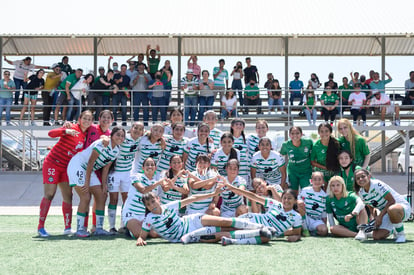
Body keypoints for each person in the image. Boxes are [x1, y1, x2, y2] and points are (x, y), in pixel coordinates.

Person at [137, 189, 267, 246]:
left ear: (158, 199)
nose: (152, 205)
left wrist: (212, 194)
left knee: (224, 221)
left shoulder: (169, 206)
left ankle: (259, 226)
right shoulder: (149, 219)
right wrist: (140, 239)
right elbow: (142, 235)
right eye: (148, 204)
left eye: (153, 201)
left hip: (191, 221)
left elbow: (192, 198)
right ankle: (256, 234)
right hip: (189, 235)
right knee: (222, 233)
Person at [37, 110, 93, 237]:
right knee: (50, 194)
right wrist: (65, 131)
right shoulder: (71, 127)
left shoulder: (87, 134)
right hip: (52, 163)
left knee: (68, 196)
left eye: (89, 119)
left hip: (66, 168)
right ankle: (40, 227)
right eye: (84, 118)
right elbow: (51, 133)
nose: (86, 121)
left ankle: (67, 228)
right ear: (79, 119)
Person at [68, 126, 125, 237]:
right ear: (111, 135)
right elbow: (90, 162)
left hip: (90, 169)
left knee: (102, 195)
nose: (120, 137)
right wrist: (86, 183)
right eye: (118, 134)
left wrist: (104, 185)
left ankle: (98, 228)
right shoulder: (102, 143)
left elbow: (105, 168)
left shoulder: (116, 150)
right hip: (78, 166)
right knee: (85, 196)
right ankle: (79, 229)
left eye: (122, 136)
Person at [222, 185, 302, 243]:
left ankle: (231, 241)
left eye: (289, 198)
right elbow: (254, 197)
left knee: (229, 231)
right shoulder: (276, 204)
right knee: (226, 227)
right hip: (250, 219)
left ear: (295, 200)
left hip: (260, 231)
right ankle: (212, 232)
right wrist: (233, 188)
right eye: (284, 198)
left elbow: (296, 232)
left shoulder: (297, 217)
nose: (286, 200)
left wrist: (296, 237)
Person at [354, 168, 411, 242]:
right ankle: (393, 229)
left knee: (392, 209)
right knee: (376, 236)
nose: (361, 179)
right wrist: (376, 218)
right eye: (358, 178)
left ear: (369, 176)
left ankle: (401, 234)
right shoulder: (361, 193)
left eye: (363, 176)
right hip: (386, 213)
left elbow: (392, 201)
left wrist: (380, 217)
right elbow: (370, 207)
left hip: (400, 208)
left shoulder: (376, 184)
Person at [106, 122, 143, 233]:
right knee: (113, 199)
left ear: (142, 132)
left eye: (140, 129)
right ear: (131, 129)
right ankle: (112, 227)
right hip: (115, 173)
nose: (137, 130)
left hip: (127, 174)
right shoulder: (123, 137)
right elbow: (111, 138)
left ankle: (123, 225)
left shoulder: (140, 140)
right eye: (135, 127)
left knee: (126, 200)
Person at [121, 157, 165, 239]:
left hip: (145, 215)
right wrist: (158, 183)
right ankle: (130, 229)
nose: (150, 167)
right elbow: (143, 190)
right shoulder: (136, 176)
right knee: (139, 234)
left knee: (154, 234)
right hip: (131, 213)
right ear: (143, 168)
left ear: (155, 168)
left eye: (152, 165)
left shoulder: (155, 182)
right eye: (147, 165)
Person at [280, 126, 313, 193]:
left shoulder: (308, 142)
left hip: (306, 171)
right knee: (293, 192)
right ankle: (295, 203)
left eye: (297, 133)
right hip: (293, 171)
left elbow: (313, 153)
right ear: (289, 135)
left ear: (301, 134)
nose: (295, 135)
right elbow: (281, 155)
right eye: (292, 133)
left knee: (306, 191)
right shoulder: (286, 145)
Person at [298, 171, 328, 237]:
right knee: (299, 204)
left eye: (319, 179)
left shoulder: (325, 196)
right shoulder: (305, 190)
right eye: (315, 179)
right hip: (304, 217)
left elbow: (324, 212)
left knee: (324, 231)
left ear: (323, 181)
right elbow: (298, 200)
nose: (317, 181)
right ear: (311, 181)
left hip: (316, 219)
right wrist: (299, 201)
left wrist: (324, 224)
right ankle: (304, 228)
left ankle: (312, 231)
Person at [230, 118, 250, 188]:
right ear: (232, 126)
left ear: (243, 127)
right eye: (236, 124)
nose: (238, 126)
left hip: (244, 170)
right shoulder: (228, 138)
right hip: (232, 169)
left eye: (240, 124)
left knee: (244, 190)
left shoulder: (247, 139)